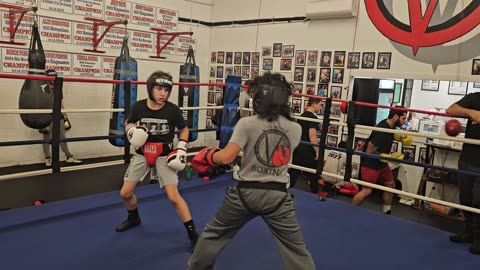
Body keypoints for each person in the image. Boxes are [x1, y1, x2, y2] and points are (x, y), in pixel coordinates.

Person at [187, 73, 316, 270]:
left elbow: (226, 158)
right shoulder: (295, 128)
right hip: (278, 197)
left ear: (259, 98)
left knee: (213, 234)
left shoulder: (247, 124)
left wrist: (207, 155)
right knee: (296, 250)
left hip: (245, 193)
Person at [115, 70, 199, 252]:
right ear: (150, 89)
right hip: (142, 153)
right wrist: (131, 131)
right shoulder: (138, 107)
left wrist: (182, 147)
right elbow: (128, 122)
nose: (163, 93)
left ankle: (193, 234)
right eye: (159, 89)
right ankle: (133, 217)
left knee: (173, 197)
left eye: (166, 90)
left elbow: (184, 129)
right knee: (125, 193)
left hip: (164, 155)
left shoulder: (172, 110)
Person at [352, 106, 410, 215]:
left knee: (390, 185)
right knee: (367, 190)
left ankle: (386, 212)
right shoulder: (382, 131)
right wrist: (387, 156)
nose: (404, 121)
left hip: (382, 164)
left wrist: (401, 138)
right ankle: (350, 211)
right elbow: (369, 150)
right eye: (403, 118)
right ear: (395, 116)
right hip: (370, 163)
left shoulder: (390, 126)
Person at [446, 94, 480, 254]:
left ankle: (479, 238)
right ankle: (468, 232)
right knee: (465, 199)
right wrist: (472, 113)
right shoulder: (475, 98)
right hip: (466, 159)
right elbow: (451, 109)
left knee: (478, 202)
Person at [40, 69, 82, 166]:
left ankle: (68, 156)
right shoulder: (42, 88)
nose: (52, 78)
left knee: (62, 136)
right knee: (47, 136)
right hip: (46, 114)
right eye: (50, 76)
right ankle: (48, 158)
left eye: (54, 76)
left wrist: (65, 115)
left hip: (58, 114)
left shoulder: (58, 87)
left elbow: (61, 102)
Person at [288, 98, 324, 195]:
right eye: (320, 105)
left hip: (299, 147)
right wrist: (317, 151)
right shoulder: (313, 118)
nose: (321, 107)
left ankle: (286, 191)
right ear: (314, 105)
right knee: (313, 173)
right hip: (308, 149)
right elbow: (312, 135)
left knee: (294, 172)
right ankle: (315, 195)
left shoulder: (301, 116)